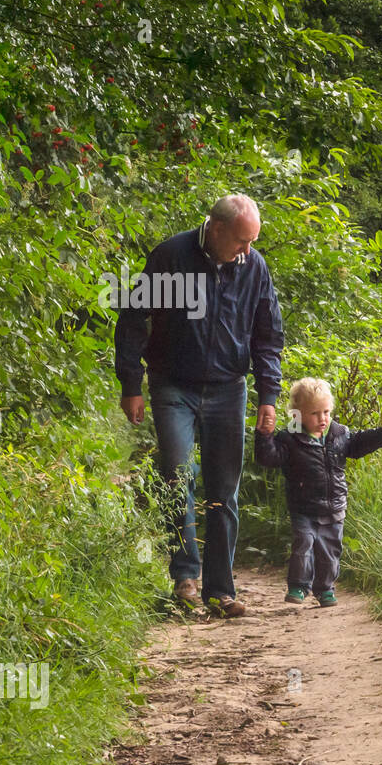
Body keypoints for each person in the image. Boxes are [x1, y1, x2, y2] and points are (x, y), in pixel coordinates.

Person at [114, 194, 284, 618]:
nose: (247, 251)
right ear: (218, 228)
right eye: (243, 241)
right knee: (177, 476)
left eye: (252, 242)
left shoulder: (254, 267)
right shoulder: (170, 255)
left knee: (223, 491)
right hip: (174, 385)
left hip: (229, 388)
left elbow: (268, 334)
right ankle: (185, 578)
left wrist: (269, 395)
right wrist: (131, 384)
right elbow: (134, 319)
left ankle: (220, 591)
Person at [254, 377, 382, 606]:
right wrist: (264, 436)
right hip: (304, 507)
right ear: (297, 415)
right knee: (303, 544)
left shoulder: (339, 434)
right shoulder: (289, 439)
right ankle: (299, 587)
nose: (322, 419)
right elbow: (269, 458)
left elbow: (357, 444)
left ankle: (325, 589)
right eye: (314, 414)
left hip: (334, 506)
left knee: (330, 550)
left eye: (326, 412)